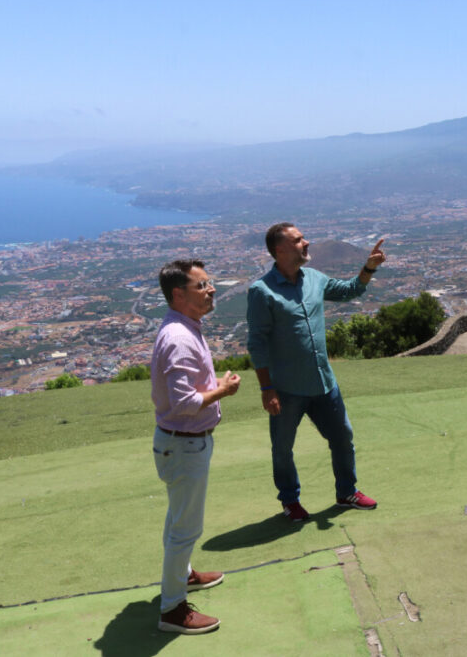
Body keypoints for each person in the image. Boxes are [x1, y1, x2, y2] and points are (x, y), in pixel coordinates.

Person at [246, 223, 385, 521]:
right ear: (280, 250)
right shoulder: (261, 291)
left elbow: (350, 290)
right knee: (283, 448)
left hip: (324, 383)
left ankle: (347, 491)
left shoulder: (315, 278)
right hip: (286, 387)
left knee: (343, 437)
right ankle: (290, 501)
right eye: (298, 240)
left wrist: (368, 268)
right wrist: (266, 389)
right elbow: (256, 343)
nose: (306, 243)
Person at [151, 259, 241, 634]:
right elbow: (185, 403)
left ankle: (184, 576)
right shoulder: (179, 339)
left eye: (210, 283)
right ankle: (173, 609)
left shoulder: (183, 328)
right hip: (185, 444)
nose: (211, 290)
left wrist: (213, 385)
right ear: (178, 294)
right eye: (202, 285)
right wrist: (223, 389)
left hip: (180, 444)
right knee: (185, 528)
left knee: (178, 520)